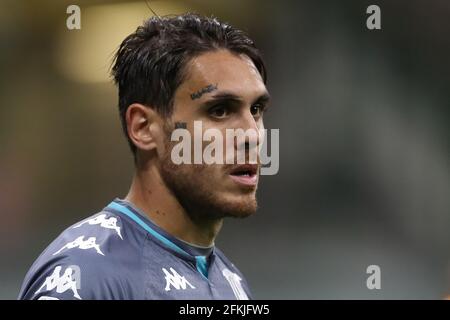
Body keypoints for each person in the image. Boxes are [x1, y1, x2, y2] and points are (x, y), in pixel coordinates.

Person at [19, 12, 270, 300]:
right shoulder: (86, 275)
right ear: (143, 128)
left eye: (256, 110)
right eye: (220, 110)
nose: (252, 135)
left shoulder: (232, 283)